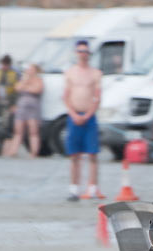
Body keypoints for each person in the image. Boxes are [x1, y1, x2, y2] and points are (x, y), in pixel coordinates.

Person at [63, 40, 103, 201]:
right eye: (80, 51)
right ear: (76, 53)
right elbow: (66, 97)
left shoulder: (95, 73)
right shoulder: (70, 73)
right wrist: (73, 114)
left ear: (89, 54)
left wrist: (87, 115)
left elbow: (97, 97)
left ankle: (92, 188)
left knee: (92, 154)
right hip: (74, 116)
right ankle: (74, 189)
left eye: (85, 51)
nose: (83, 54)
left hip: (89, 116)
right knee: (74, 155)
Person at [5, 63, 44, 158]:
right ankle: (13, 151)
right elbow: (17, 87)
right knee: (18, 131)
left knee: (33, 131)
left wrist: (26, 87)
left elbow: (37, 89)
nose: (29, 71)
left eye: (31, 69)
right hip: (22, 107)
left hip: (33, 108)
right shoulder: (23, 79)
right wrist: (26, 82)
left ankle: (34, 152)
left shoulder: (39, 80)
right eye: (28, 69)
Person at [0, 55, 19, 156]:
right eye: (3, 64)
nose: (4, 67)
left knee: (6, 124)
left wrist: (14, 104)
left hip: (9, 101)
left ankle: (3, 146)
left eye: (6, 65)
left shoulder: (15, 73)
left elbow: (17, 90)